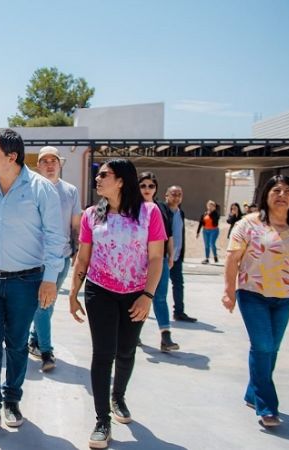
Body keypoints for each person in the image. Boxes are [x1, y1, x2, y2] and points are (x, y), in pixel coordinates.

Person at [0, 129, 66, 431]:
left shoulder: (41, 189)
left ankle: (12, 401)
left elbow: (57, 238)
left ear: (12, 156)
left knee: (16, 344)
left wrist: (50, 280)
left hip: (26, 281)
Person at [68, 159, 165, 449]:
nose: (97, 179)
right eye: (97, 175)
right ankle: (102, 420)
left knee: (126, 350)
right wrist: (73, 293)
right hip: (100, 292)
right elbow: (83, 257)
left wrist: (147, 296)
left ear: (121, 180)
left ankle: (118, 396)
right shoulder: (91, 215)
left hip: (136, 293)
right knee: (103, 353)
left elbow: (157, 258)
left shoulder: (149, 212)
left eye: (104, 175)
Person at [222, 175, 289, 428]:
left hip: (285, 297)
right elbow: (232, 259)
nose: (282, 195)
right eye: (276, 190)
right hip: (253, 294)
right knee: (263, 346)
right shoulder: (248, 224)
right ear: (266, 195)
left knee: (271, 349)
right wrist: (229, 291)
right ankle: (267, 407)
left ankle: (253, 392)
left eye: (287, 191)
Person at [27, 146, 81, 372]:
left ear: (61, 164)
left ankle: (34, 340)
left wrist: (77, 251)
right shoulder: (29, 189)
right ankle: (46, 351)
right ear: (38, 165)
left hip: (62, 257)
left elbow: (75, 224)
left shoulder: (70, 191)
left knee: (46, 304)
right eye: (44, 161)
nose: (49, 164)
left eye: (53, 160)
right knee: (43, 305)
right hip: (35, 259)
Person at [138, 172, 179, 352]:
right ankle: (133, 334)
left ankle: (166, 336)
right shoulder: (132, 207)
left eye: (151, 186)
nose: (147, 189)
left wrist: (170, 256)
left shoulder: (161, 209)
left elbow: (168, 235)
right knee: (138, 298)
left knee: (160, 297)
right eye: (143, 185)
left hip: (159, 259)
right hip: (137, 261)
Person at [160, 185, 197, 323]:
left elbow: (179, 235)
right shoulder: (162, 212)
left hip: (176, 257)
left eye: (179, 195)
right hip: (163, 257)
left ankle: (179, 312)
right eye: (173, 194)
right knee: (157, 289)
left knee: (178, 284)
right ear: (166, 195)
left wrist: (180, 254)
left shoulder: (180, 213)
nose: (176, 197)